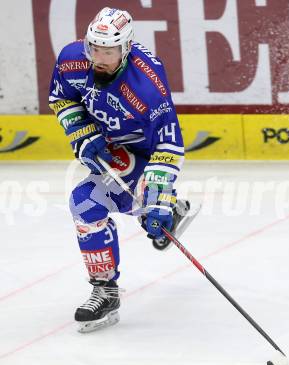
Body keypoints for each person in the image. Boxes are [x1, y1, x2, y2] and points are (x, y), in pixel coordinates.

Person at [49, 7, 189, 332]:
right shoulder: (73, 59)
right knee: (85, 204)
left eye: (108, 51)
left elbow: (168, 144)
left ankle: (166, 206)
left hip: (143, 152)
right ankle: (105, 290)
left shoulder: (148, 85)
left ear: (125, 49)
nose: (98, 57)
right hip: (110, 146)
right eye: (94, 48)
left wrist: (156, 197)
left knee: (149, 210)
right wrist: (81, 132)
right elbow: (62, 97)